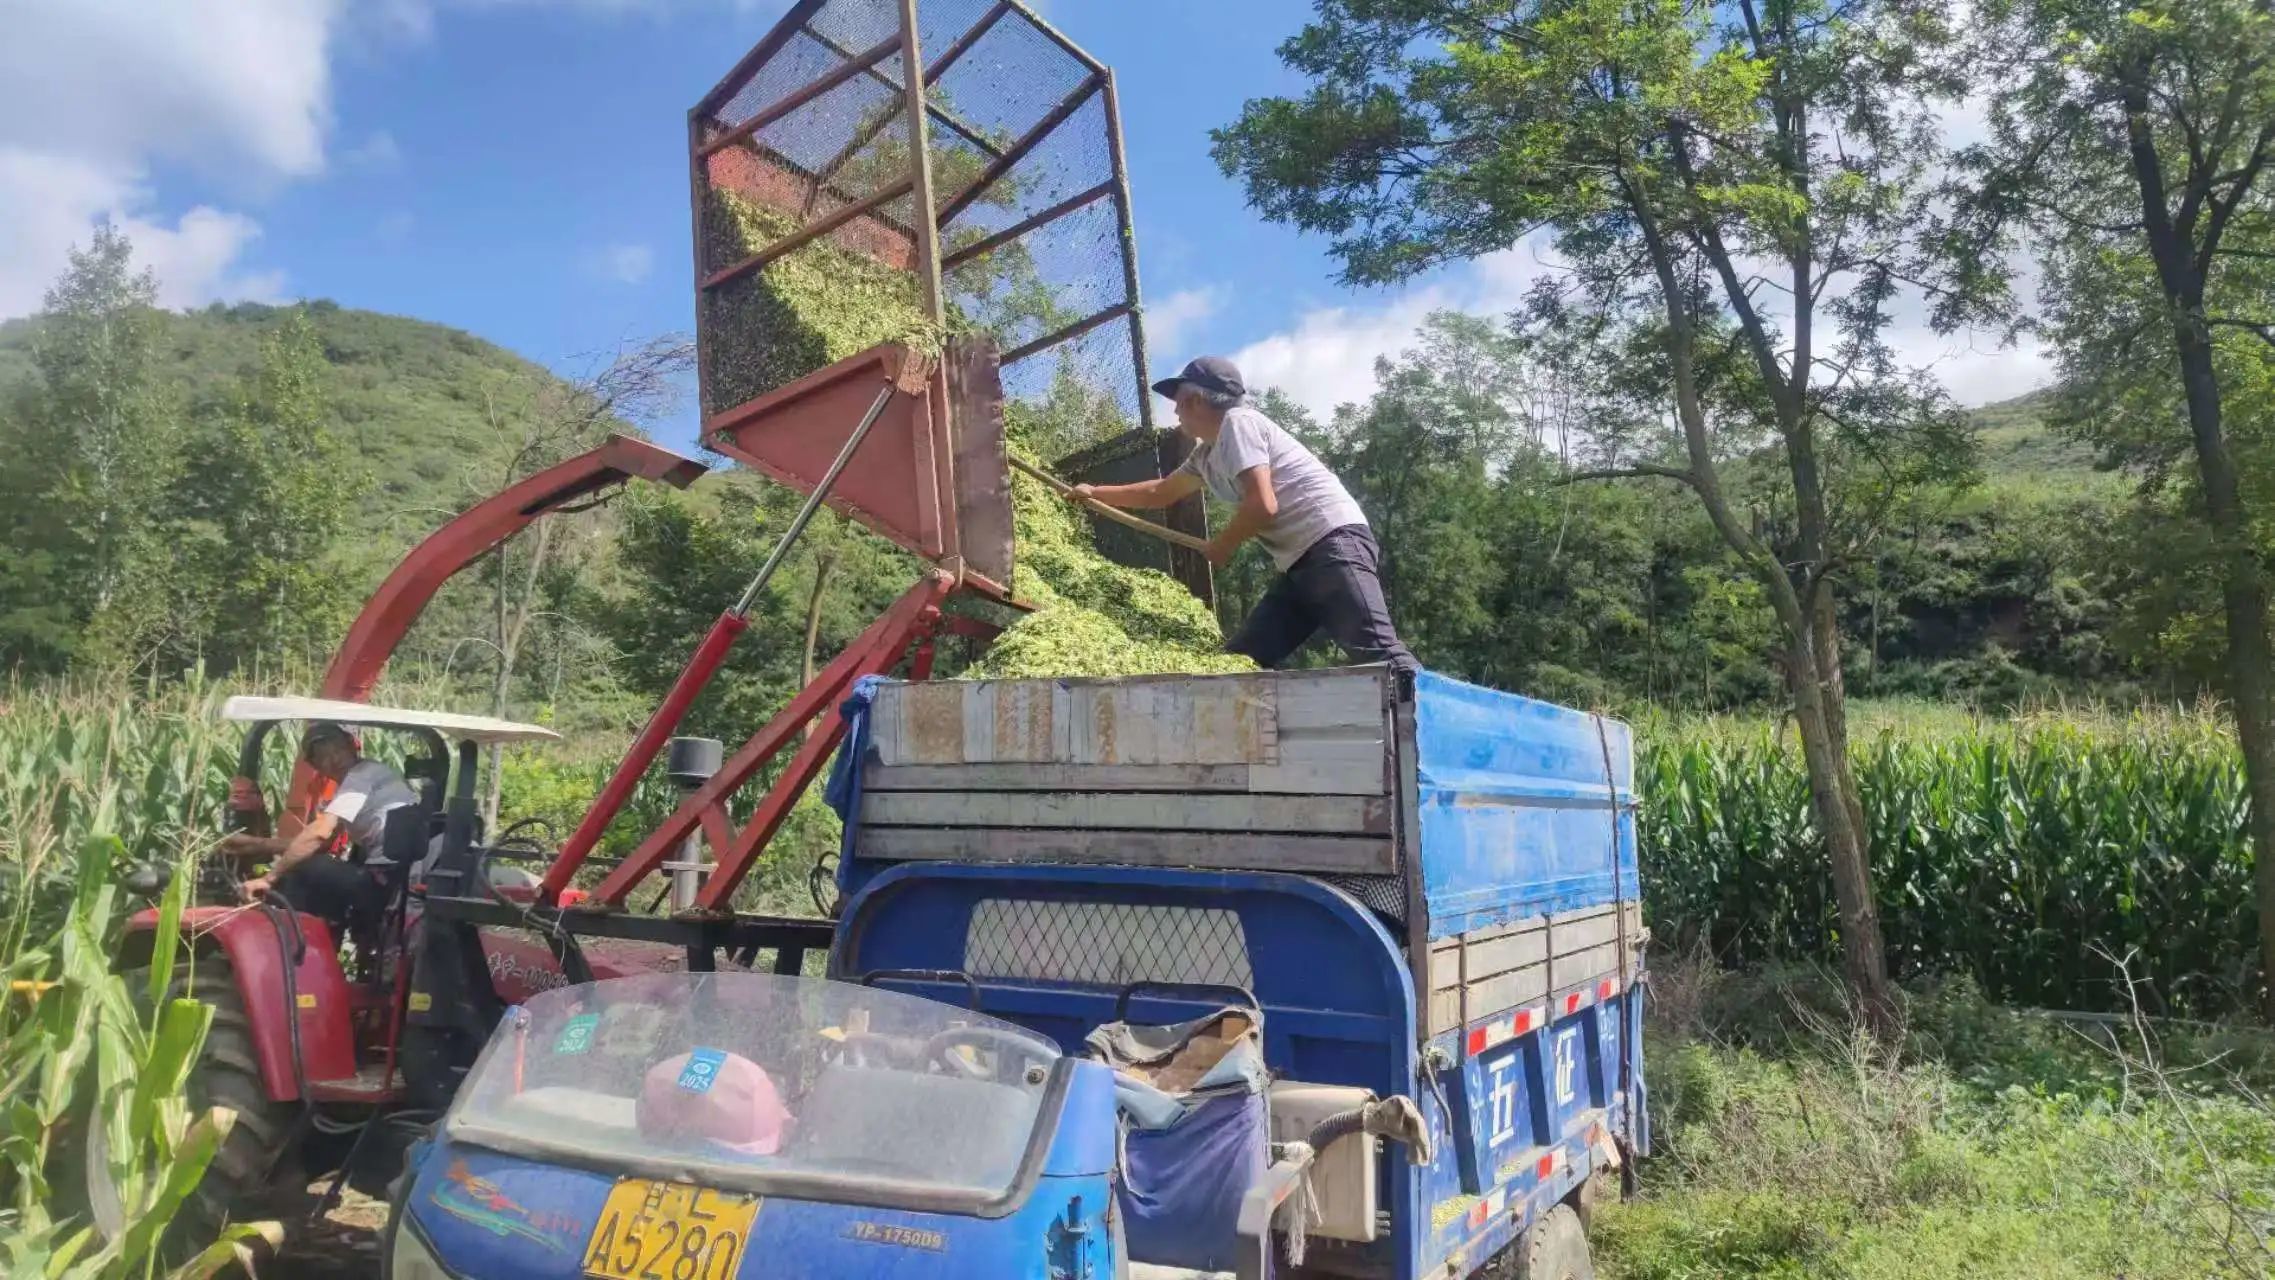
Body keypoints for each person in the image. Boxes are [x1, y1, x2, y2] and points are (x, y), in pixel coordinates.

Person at [1076, 355, 1418, 674]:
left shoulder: (1239, 425)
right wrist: (1094, 493)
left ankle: (1449, 730)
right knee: (1241, 663)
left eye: (1178, 400)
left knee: (1381, 655)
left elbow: (1262, 504)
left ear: (1197, 400)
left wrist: (1223, 545)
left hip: (1331, 542)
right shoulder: (1205, 456)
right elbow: (1160, 493)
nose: (1175, 410)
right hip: (1299, 563)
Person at [219, 722, 420, 928]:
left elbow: (319, 834)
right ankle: (329, 935)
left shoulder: (362, 775)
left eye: (338, 750)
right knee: (313, 863)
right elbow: (322, 843)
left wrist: (269, 878)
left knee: (306, 867)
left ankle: (297, 945)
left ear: (352, 745)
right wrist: (255, 844)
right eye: (323, 756)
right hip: (394, 876)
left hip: (387, 880)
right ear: (316, 767)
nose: (334, 760)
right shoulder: (362, 782)